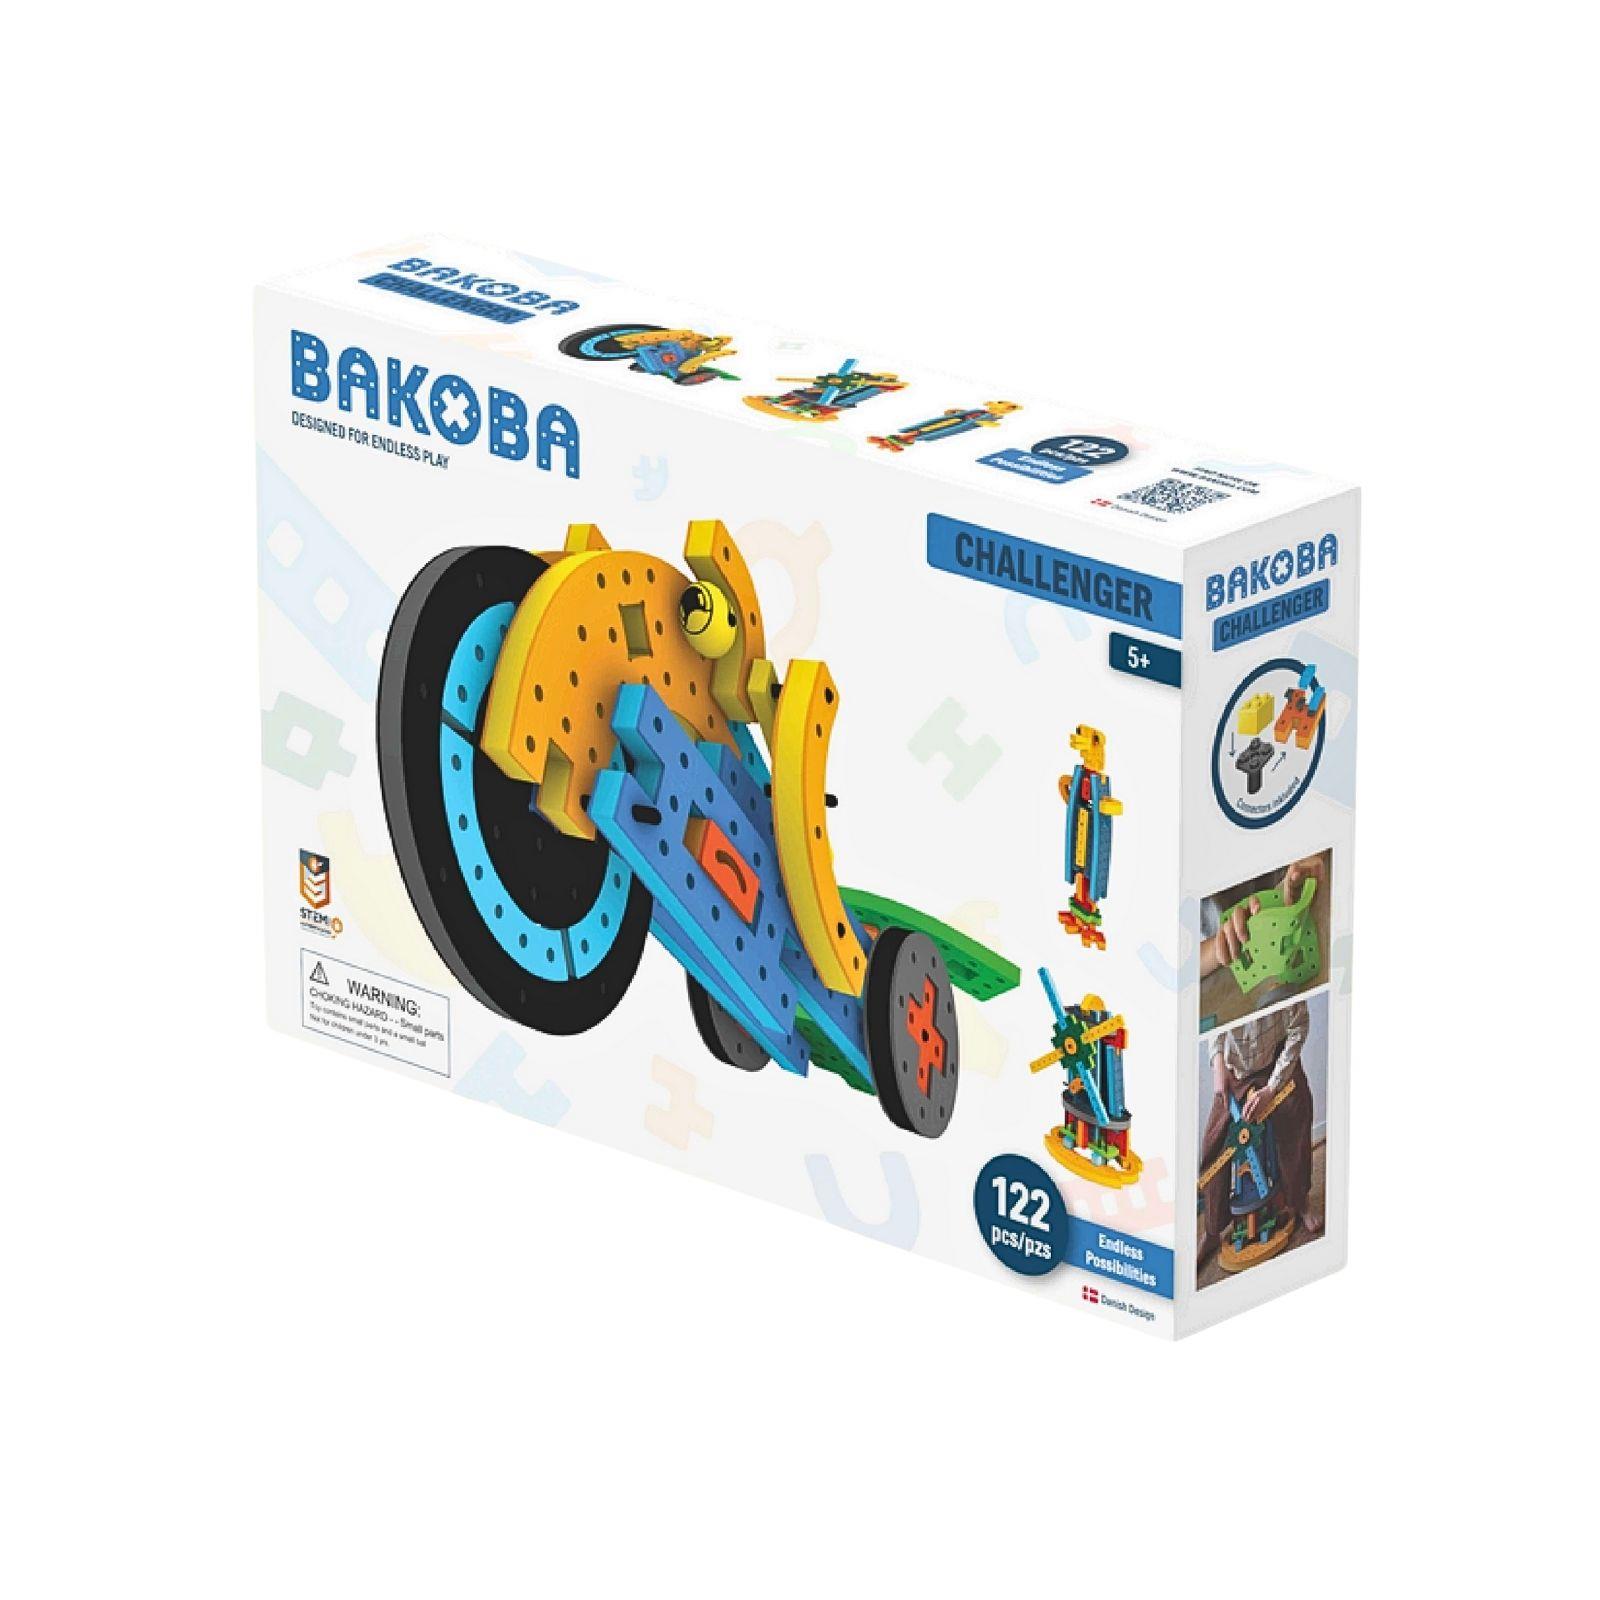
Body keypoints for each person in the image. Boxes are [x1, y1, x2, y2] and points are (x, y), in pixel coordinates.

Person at [1198, 999, 1321, 1263]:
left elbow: (1299, 1027)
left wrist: (1272, 1088)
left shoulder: (1285, 985)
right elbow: (1212, 1020)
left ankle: (1300, 1200)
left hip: (1276, 1061)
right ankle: (1212, 1229)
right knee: (1213, 1142)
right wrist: (1218, 1064)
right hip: (1236, 1071)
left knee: (1296, 1116)